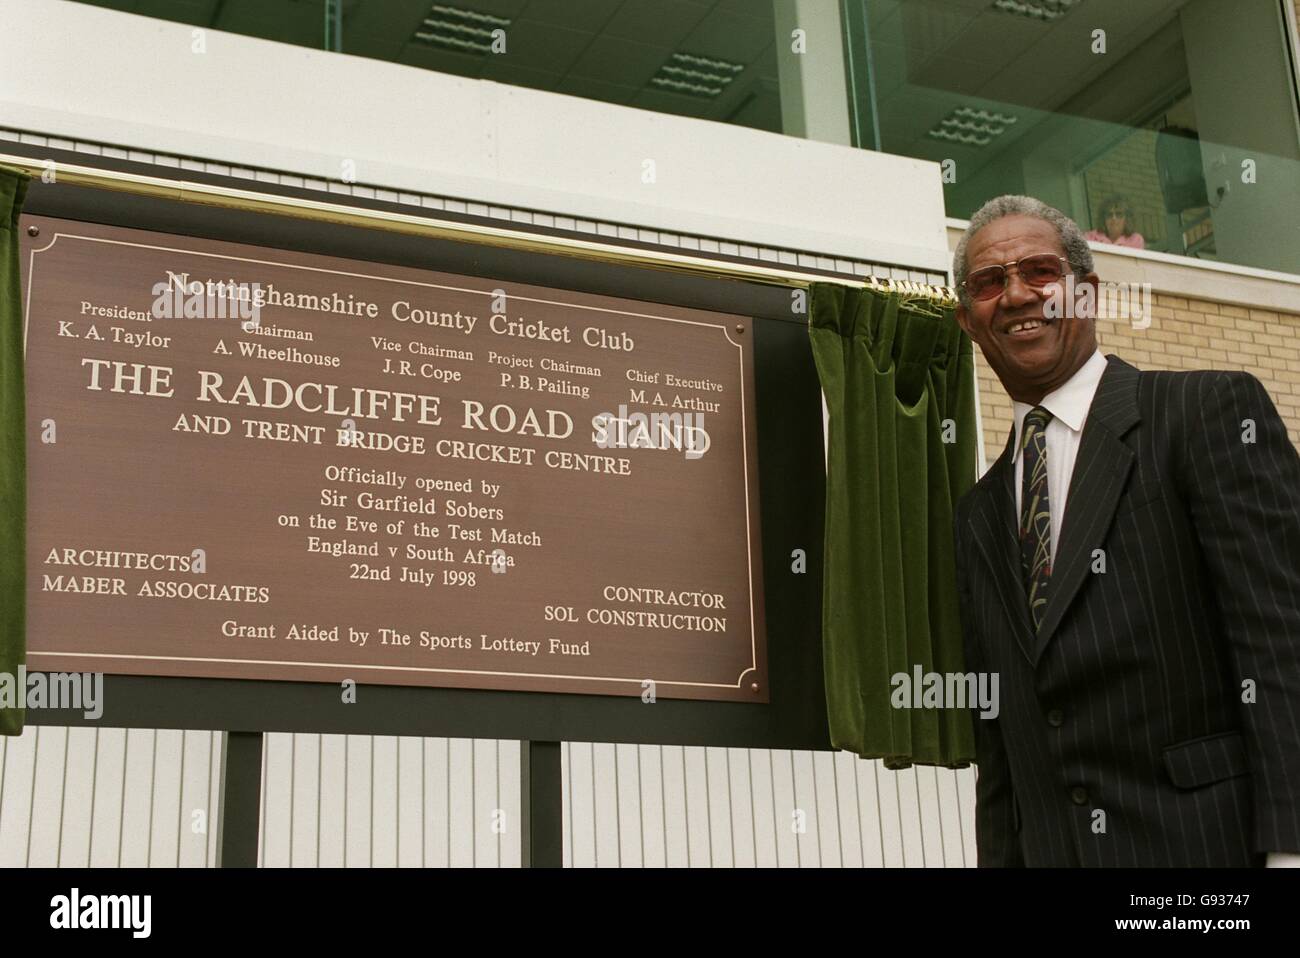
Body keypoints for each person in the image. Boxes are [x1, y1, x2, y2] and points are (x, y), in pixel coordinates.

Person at [950, 194, 1300, 867]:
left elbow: (1283, 647)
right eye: (990, 283)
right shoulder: (977, 515)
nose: (1018, 294)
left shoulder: (1204, 415)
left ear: (1088, 293)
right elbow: (1002, 749)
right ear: (969, 320)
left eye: (1040, 272)